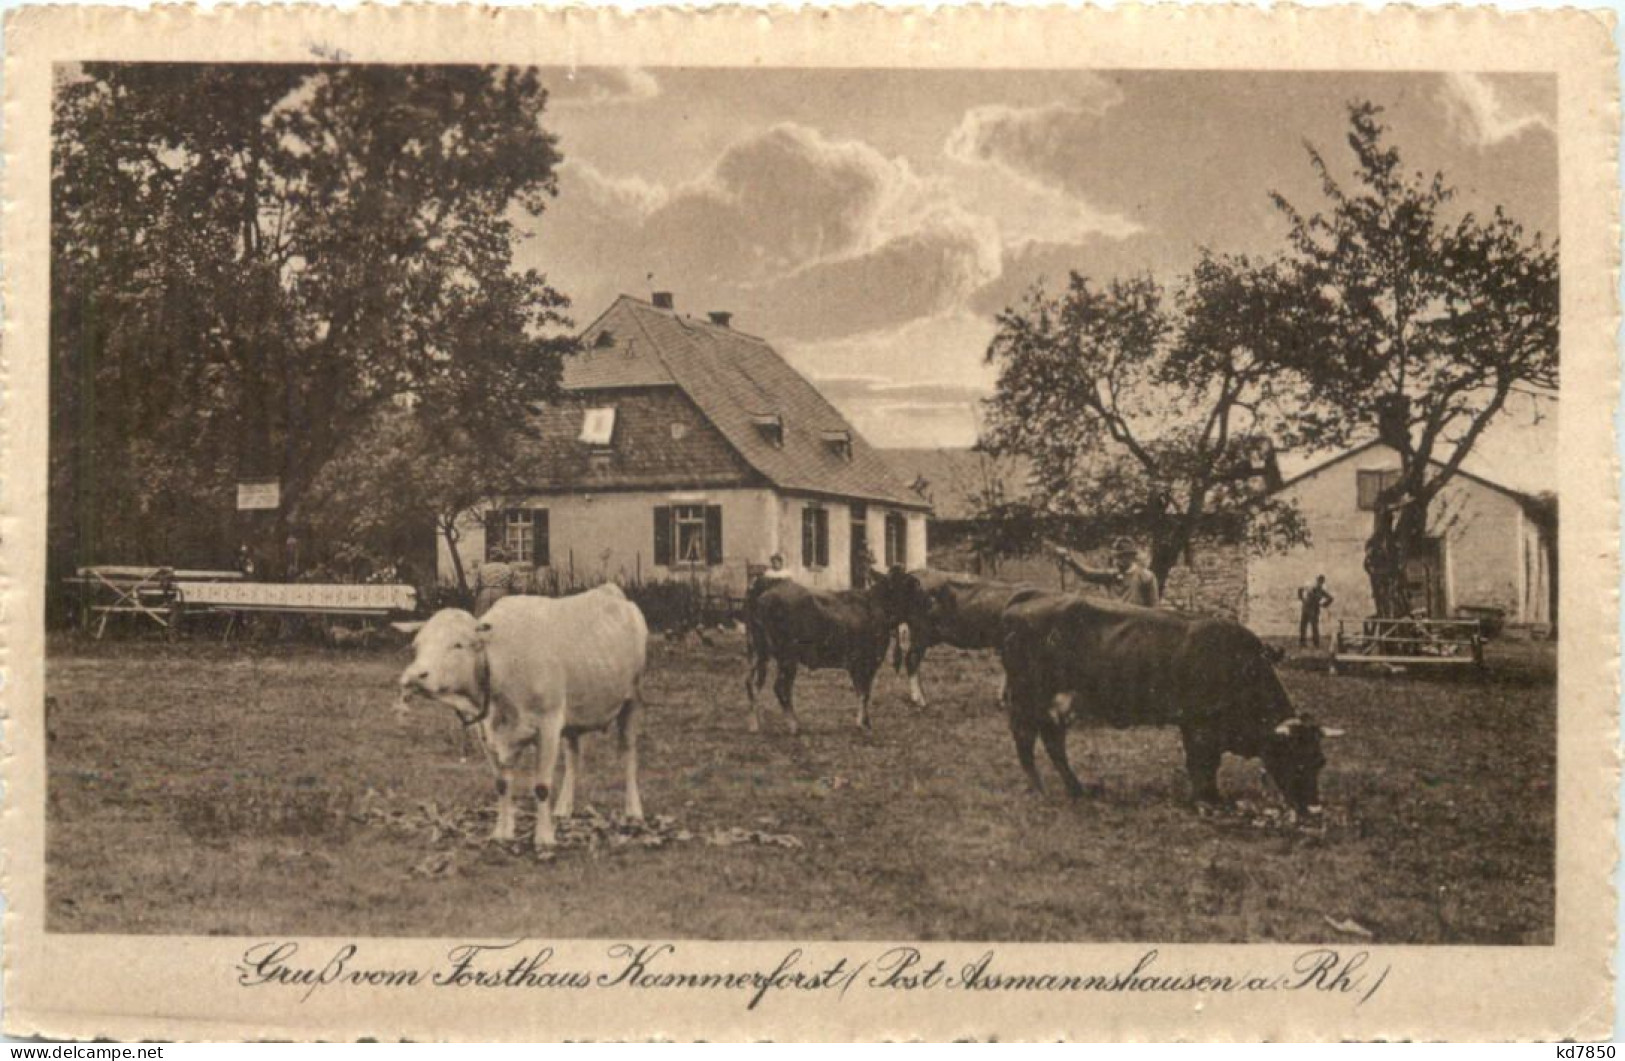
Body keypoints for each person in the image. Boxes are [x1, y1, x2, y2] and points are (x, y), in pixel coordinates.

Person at [1054, 536, 1160, 608]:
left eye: (1122, 557)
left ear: (1131, 557)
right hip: (1115, 625)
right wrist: (1069, 559)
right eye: (1116, 557)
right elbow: (1087, 574)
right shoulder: (1111, 575)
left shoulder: (1146, 577)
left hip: (1135, 626)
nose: (1117, 561)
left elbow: (1153, 609)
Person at [474, 546, 517, 617]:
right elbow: (515, 586)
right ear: (502, 557)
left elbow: (476, 585)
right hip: (502, 594)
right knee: (500, 618)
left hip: (485, 595)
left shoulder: (482, 568)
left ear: (490, 557)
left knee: (483, 618)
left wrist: (477, 596)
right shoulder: (508, 568)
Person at [1298, 574, 1335, 648]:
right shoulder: (1310, 588)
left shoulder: (1321, 591)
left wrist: (1324, 604)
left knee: (1314, 627)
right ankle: (1302, 643)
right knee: (1303, 626)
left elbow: (1331, 598)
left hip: (1314, 610)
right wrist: (1302, 599)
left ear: (1322, 583)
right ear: (1316, 581)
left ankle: (1316, 643)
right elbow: (1300, 589)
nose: (1319, 583)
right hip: (1305, 608)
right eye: (1318, 581)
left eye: (1321, 582)